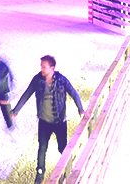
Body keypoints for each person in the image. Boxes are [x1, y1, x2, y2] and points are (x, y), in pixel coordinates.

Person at [12, 55, 84, 184]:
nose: (41, 69)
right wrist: (16, 111)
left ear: (52, 68)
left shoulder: (61, 80)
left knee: (62, 148)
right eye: (41, 66)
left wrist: (81, 109)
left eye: (44, 67)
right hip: (44, 122)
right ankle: (40, 174)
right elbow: (26, 94)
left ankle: (68, 170)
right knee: (42, 148)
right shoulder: (37, 80)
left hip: (59, 122)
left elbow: (74, 93)